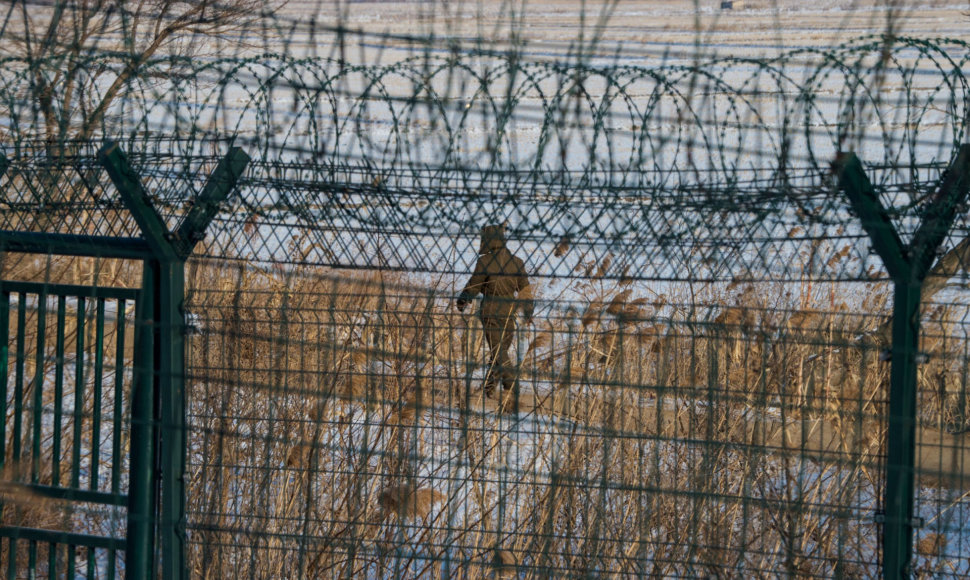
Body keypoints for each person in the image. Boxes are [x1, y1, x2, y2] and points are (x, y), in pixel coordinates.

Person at [456, 224, 534, 399]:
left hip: (490, 312)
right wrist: (528, 312)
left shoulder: (485, 262)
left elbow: (474, 285)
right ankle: (489, 390)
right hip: (509, 314)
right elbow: (526, 291)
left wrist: (462, 301)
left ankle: (510, 386)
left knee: (498, 353)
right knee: (499, 352)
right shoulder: (517, 262)